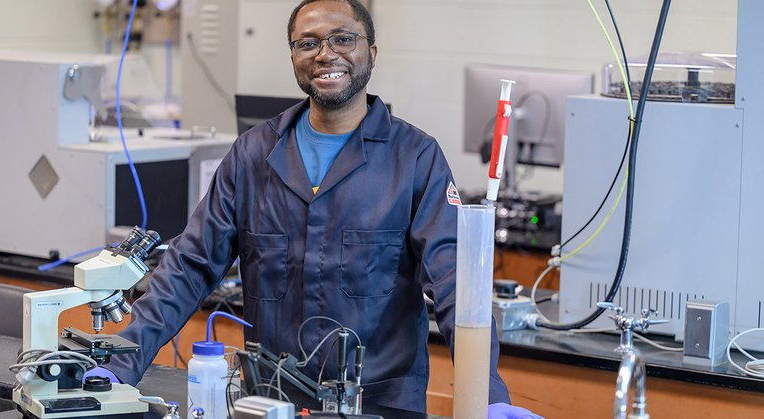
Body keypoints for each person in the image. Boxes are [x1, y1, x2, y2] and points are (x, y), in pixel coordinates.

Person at [106, 0, 540, 417]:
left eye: (342, 39)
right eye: (307, 43)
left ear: (371, 53)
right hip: (271, 401)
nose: (325, 53)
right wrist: (117, 365)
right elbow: (189, 268)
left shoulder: (415, 159)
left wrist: (488, 395)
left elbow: (456, 286)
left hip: (380, 405)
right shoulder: (254, 154)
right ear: (293, 56)